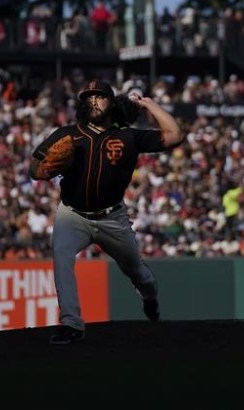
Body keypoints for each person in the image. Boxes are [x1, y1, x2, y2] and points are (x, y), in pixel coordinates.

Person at [29, 79, 182, 345]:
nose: (94, 101)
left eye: (100, 97)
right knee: (61, 254)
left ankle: (149, 298)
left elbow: (174, 134)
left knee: (138, 273)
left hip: (112, 218)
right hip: (72, 214)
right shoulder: (68, 135)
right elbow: (34, 163)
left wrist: (149, 104)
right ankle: (71, 323)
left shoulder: (128, 136)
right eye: (89, 98)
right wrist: (42, 170)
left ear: (111, 102)